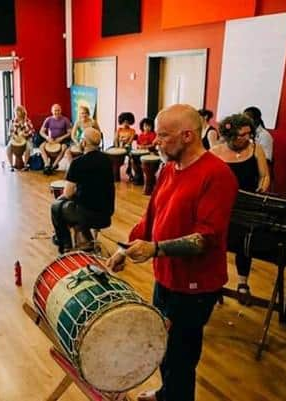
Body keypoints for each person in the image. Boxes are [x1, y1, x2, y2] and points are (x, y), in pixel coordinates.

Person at [105, 104, 238, 401]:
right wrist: (123, 250)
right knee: (162, 344)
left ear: (188, 135)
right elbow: (150, 218)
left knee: (181, 356)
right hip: (165, 278)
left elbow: (206, 238)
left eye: (163, 136)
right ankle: (167, 393)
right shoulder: (168, 169)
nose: (155, 141)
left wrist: (156, 249)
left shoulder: (217, 175)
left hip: (196, 286)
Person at [210, 114, 270, 305]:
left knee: (245, 245)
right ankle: (215, 282)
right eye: (242, 134)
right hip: (221, 206)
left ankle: (243, 283)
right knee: (217, 244)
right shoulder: (215, 152)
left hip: (247, 206)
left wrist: (262, 186)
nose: (248, 137)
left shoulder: (256, 149)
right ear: (230, 135)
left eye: (249, 133)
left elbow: (264, 175)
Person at [51, 128, 114, 253]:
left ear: (84, 142)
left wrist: (60, 198)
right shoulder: (107, 160)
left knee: (56, 207)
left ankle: (65, 244)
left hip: (87, 214)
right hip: (106, 214)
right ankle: (84, 239)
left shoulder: (77, 163)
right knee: (73, 206)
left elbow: (68, 193)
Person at [39, 103, 72, 175]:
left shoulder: (65, 120)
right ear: (52, 111)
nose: (57, 112)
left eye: (58, 110)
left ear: (61, 110)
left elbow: (70, 133)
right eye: (55, 110)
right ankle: (47, 165)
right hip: (51, 140)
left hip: (62, 141)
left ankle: (53, 166)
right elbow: (41, 131)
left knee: (64, 148)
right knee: (41, 146)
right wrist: (47, 137)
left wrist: (61, 138)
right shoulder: (48, 119)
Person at [6, 105, 34, 172]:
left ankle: (25, 165)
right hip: (15, 139)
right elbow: (9, 132)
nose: (17, 113)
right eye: (15, 111)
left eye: (18, 111)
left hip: (26, 139)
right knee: (8, 148)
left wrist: (25, 135)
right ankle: (11, 165)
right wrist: (14, 136)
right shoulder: (12, 121)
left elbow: (32, 131)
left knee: (28, 148)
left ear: (22, 112)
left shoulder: (27, 121)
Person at [114, 112, 136, 179]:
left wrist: (125, 144)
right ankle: (116, 174)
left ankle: (129, 171)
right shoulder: (119, 130)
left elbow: (130, 141)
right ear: (122, 121)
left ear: (130, 122)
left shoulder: (132, 131)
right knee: (116, 158)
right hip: (119, 147)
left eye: (127, 122)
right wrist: (117, 147)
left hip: (128, 147)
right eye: (124, 122)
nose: (126, 123)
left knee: (132, 158)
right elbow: (116, 139)